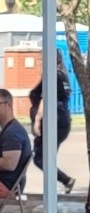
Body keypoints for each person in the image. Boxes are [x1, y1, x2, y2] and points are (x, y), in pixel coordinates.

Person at [29, 51, 75, 194]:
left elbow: (46, 99)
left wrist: (37, 120)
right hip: (62, 121)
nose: (41, 61)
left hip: (54, 121)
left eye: (43, 58)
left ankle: (60, 185)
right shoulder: (63, 75)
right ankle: (64, 182)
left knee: (41, 159)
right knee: (45, 157)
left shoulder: (53, 75)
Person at [0, 88, 32, 197]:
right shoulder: (7, 130)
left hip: (5, 186)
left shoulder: (12, 132)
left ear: (8, 105)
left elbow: (9, 164)